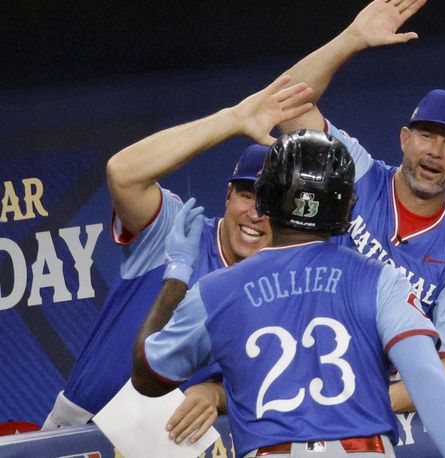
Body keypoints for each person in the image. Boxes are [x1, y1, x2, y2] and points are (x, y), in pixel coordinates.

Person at [131, 130, 445, 458]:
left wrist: (177, 271)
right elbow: (428, 379)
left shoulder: (215, 291)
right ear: (345, 205)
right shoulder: (381, 279)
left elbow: (148, 376)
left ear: (267, 198)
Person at [42, 74, 314, 445]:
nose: (257, 213)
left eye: (273, 203)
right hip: (82, 435)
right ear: (229, 194)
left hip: (174, 447)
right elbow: (122, 174)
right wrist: (233, 119)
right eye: (249, 195)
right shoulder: (179, 230)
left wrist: (215, 395)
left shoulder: (288, 284)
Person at [274, 0, 445, 411]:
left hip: (364, 400)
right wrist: (351, 39)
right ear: (404, 139)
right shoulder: (355, 171)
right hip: (290, 364)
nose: (435, 153)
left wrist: (361, 405)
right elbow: (286, 103)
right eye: (427, 136)